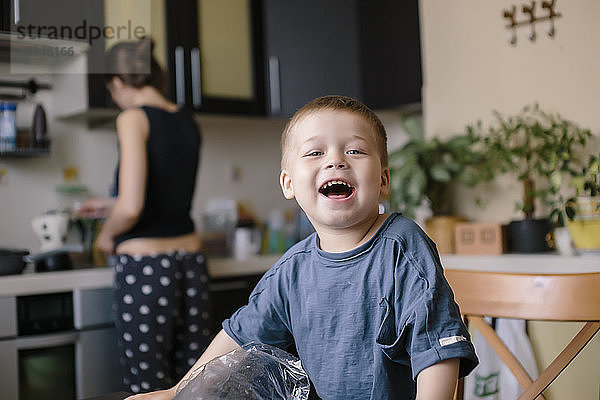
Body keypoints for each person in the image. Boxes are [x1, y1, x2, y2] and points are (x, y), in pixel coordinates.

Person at [128, 95, 478, 400]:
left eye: (354, 150)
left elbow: (437, 354)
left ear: (383, 181)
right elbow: (237, 337)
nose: (336, 160)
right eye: (315, 152)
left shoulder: (403, 247)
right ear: (289, 183)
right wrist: (179, 391)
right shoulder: (292, 269)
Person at [78, 38, 213, 394]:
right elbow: (163, 196)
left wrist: (105, 235)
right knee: (193, 386)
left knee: (148, 388)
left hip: (146, 267)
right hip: (190, 264)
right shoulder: (187, 119)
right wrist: (109, 204)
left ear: (119, 83)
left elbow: (132, 207)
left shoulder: (132, 118)